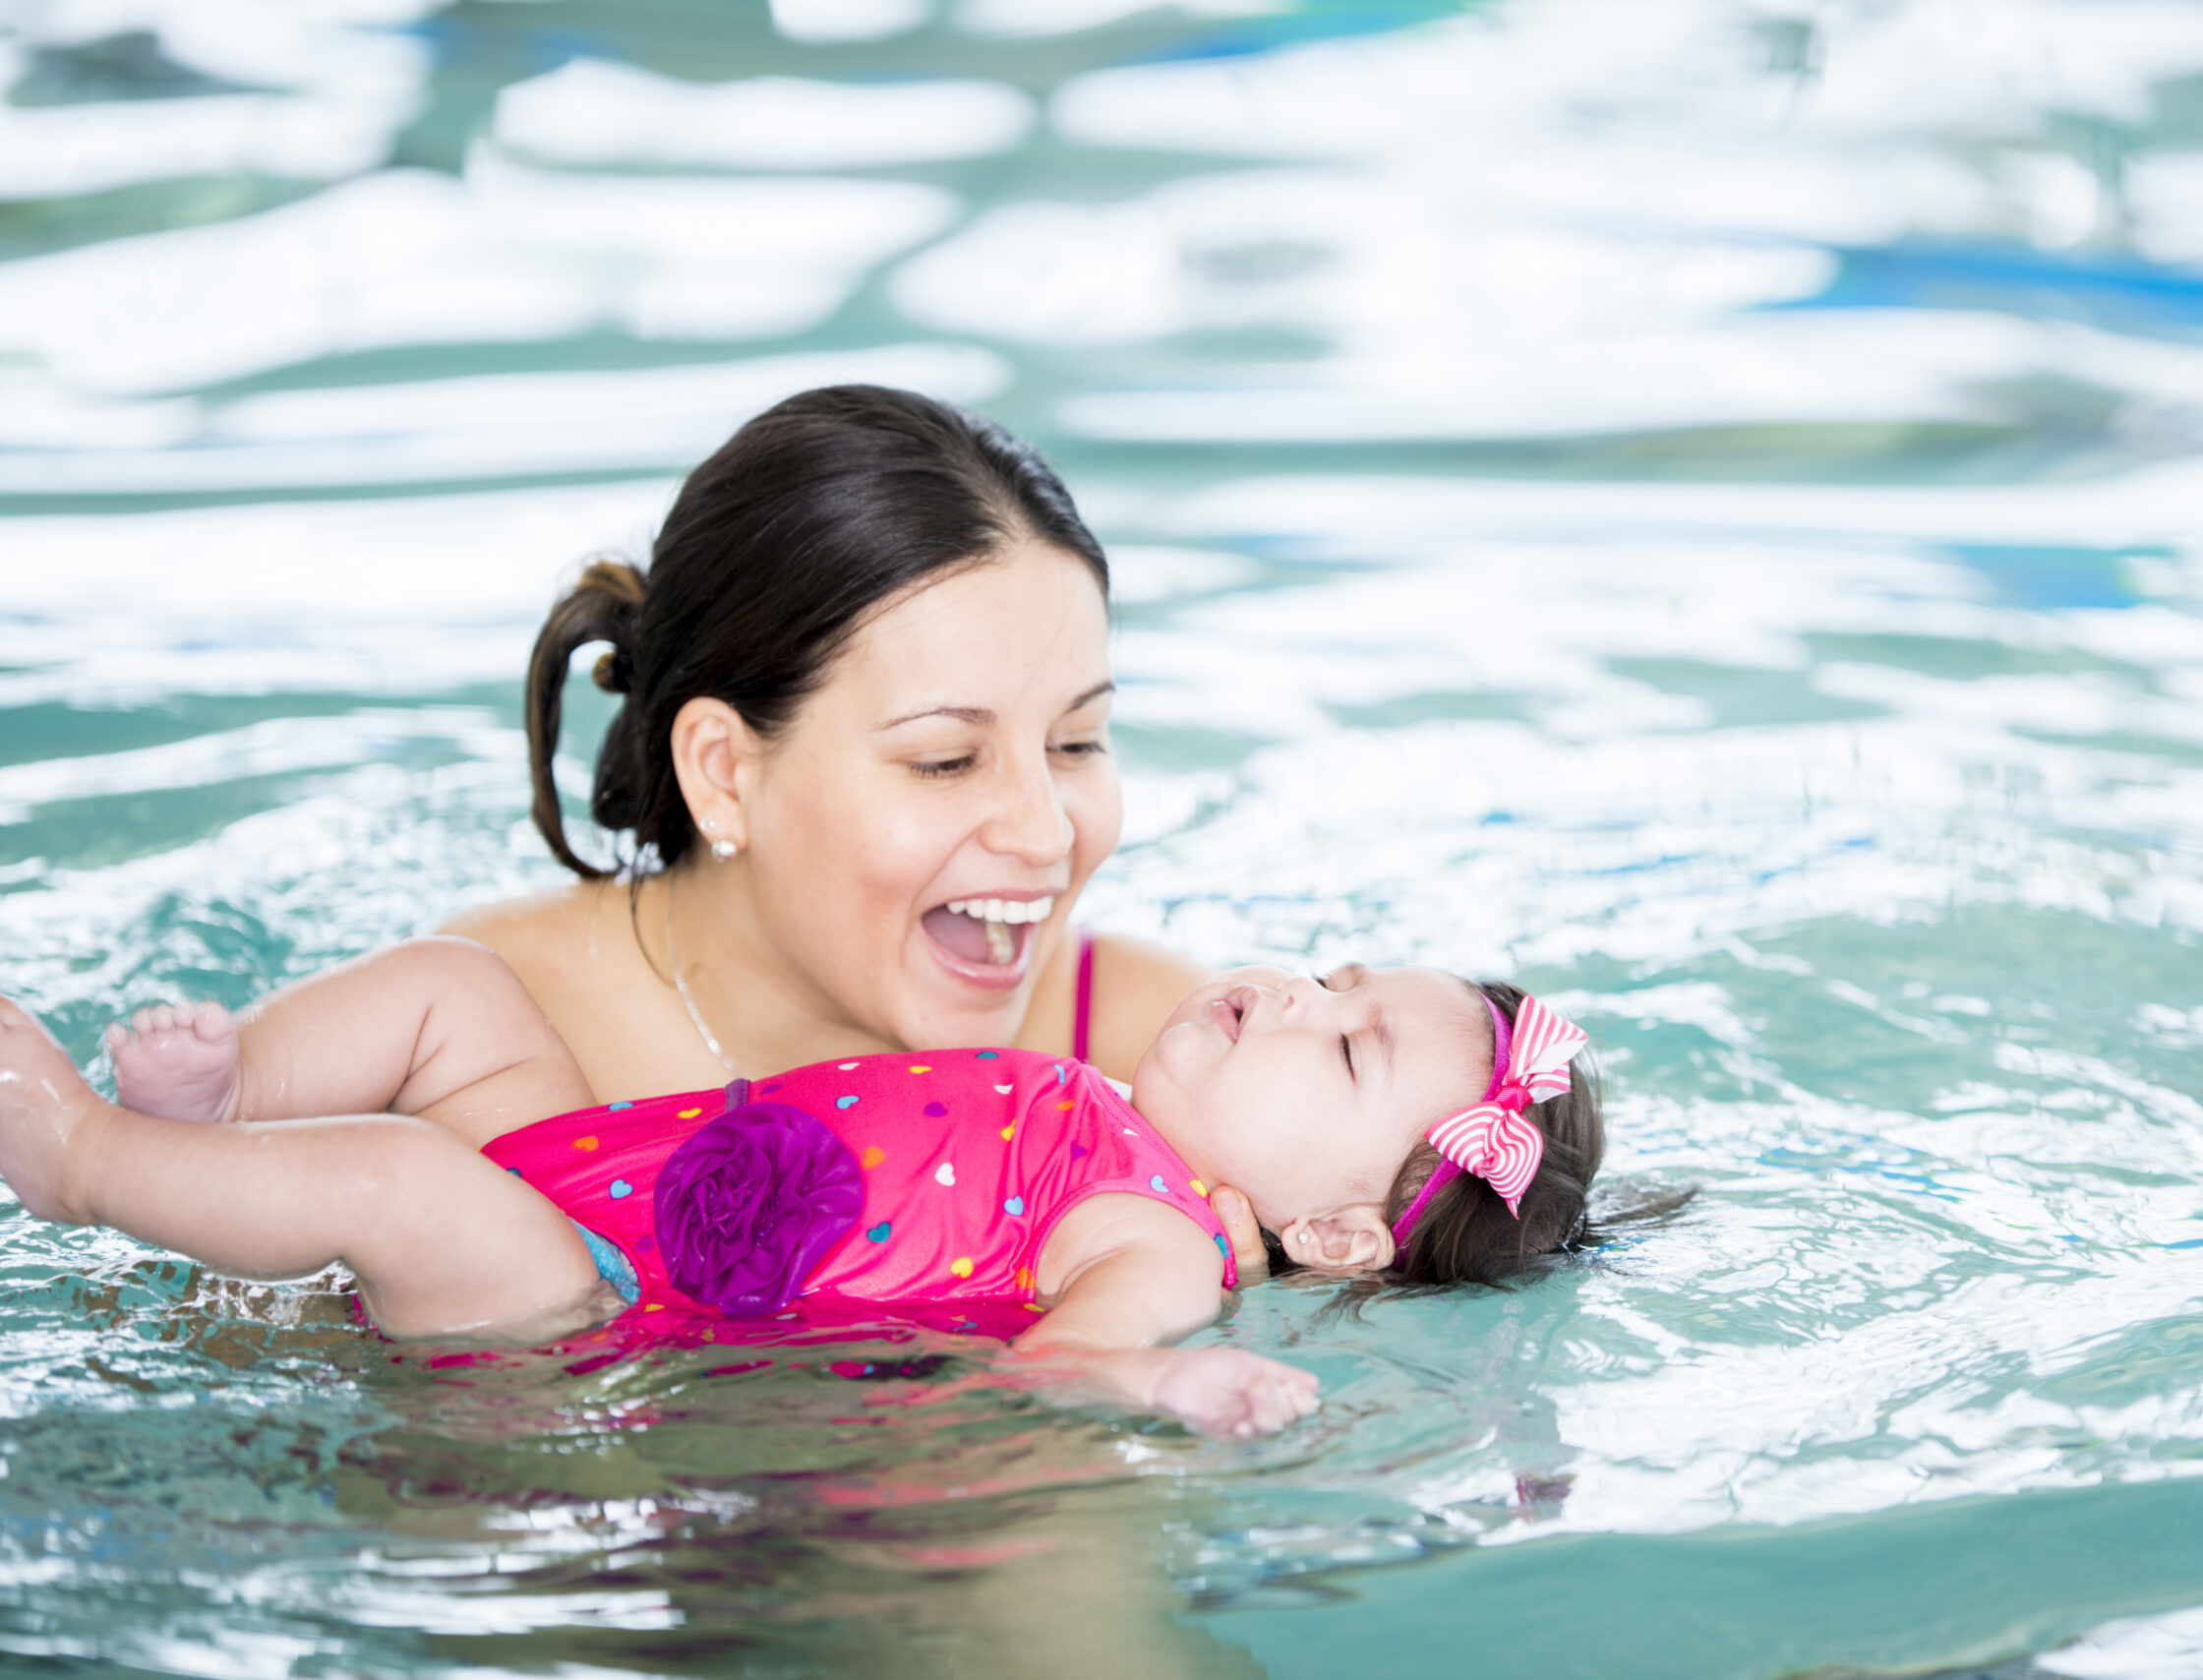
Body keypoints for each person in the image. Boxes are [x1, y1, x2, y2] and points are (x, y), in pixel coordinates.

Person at [0, 938, 1604, 1439]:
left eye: (1341, 1051)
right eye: (1333, 971)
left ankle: (89, 1157)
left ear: (1327, 1231)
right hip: (607, 1169)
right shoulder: (1113, 1109)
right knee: (460, 992)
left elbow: (1056, 1364)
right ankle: (233, 1100)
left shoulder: (1164, 1238)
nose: (1296, 991)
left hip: (584, 1293)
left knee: (413, 1181)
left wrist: (1169, 1374)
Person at [438, 384, 1269, 1265]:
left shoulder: (1178, 1066)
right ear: (723, 772)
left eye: (1076, 743)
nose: (1047, 836)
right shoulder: (476, 1049)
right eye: (945, 759)